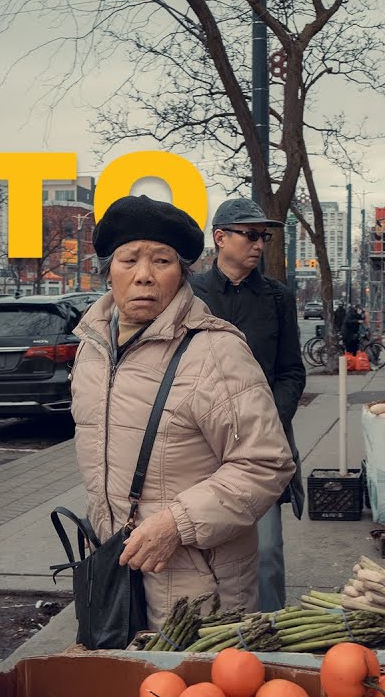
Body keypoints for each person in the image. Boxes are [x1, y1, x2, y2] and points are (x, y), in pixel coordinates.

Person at [72, 196, 294, 628]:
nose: (144, 276)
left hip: (197, 588)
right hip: (115, 575)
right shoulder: (90, 349)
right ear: (108, 270)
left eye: (162, 261)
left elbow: (266, 462)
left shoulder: (216, 351)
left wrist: (175, 523)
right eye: (128, 260)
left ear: (181, 273)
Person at [190, 198, 307, 612]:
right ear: (220, 238)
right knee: (202, 554)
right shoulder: (189, 294)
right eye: (251, 234)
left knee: (267, 554)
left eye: (265, 236)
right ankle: (210, 642)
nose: (260, 244)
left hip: (263, 445)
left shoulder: (278, 297)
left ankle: (270, 640)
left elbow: (292, 370)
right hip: (199, 444)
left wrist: (269, 420)